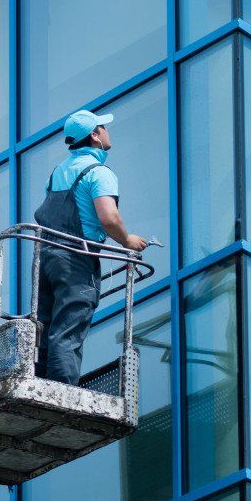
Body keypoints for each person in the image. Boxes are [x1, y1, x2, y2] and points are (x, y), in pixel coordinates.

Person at [34, 109, 151, 385]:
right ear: (95, 135)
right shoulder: (99, 172)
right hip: (76, 258)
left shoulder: (58, 172)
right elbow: (108, 218)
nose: (107, 131)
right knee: (69, 327)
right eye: (103, 127)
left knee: (45, 325)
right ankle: (61, 393)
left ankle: (39, 382)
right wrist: (128, 241)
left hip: (46, 256)